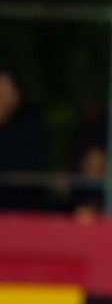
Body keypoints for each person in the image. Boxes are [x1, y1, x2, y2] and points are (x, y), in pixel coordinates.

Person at [0, 68, 47, 211]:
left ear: (16, 96)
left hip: (20, 207)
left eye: (4, 92)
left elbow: (26, 168)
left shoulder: (30, 125)